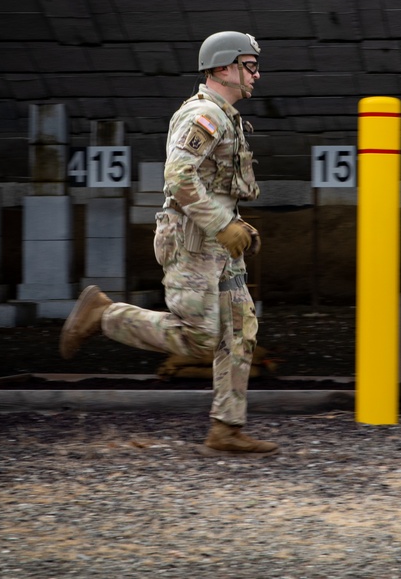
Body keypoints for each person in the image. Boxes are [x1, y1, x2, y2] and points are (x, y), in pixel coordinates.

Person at [60, 31, 276, 457]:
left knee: (239, 331)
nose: (257, 74)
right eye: (249, 65)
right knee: (198, 338)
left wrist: (235, 225)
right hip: (194, 242)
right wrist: (220, 223)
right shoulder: (205, 117)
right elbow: (178, 177)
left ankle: (226, 428)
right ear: (222, 68)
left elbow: (213, 185)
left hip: (218, 242)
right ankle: (103, 314)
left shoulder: (225, 116)